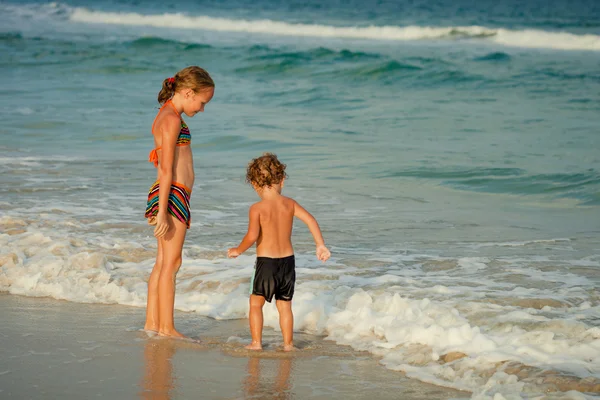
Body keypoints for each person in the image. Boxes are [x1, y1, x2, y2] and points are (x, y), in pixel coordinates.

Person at [228, 153, 330, 351]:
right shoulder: (290, 204)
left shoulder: (256, 208)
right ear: (282, 180)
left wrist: (237, 250)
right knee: (285, 306)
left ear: (255, 184)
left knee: (256, 303)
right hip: (287, 262)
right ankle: (288, 344)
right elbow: (310, 220)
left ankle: (256, 343)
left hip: (266, 263)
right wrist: (320, 244)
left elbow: (252, 236)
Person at [144, 66, 215, 338]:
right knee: (171, 263)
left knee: (162, 262)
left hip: (170, 194)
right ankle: (167, 328)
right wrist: (163, 212)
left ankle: (153, 323)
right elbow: (165, 168)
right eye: (202, 102)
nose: (202, 108)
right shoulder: (172, 120)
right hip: (171, 194)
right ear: (188, 92)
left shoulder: (166, 114)